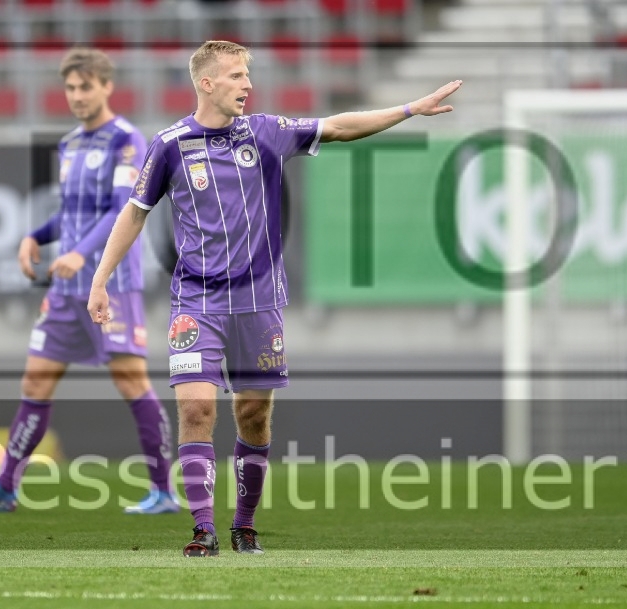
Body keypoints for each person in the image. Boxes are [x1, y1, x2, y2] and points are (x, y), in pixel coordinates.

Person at [87, 40, 462, 555]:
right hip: (196, 302)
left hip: (260, 304)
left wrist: (408, 109)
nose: (247, 84)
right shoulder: (170, 144)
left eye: (248, 75)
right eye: (237, 76)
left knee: (253, 416)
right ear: (207, 83)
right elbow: (135, 212)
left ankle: (244, 525)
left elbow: (339, 126)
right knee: (196, 409)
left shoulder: (265, 132)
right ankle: (203, 529)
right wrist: (100, 278)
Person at [0, 47, 178, 516]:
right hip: (66, 290)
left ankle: (163, 492)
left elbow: (121, 209)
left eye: (85, 86)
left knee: (130, 380)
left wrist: (79, 253)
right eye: (70, 88)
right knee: (36, 379)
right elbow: (71, 213)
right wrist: (36, 235)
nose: (76, 96)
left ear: (107, 87)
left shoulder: (127, 140)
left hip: (111, 282)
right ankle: (5, 487)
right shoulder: (71, 143)